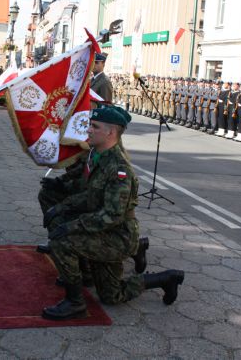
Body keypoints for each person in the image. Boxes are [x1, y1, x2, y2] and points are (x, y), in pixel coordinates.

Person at [39, 105, 184, 320]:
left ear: (111, 132)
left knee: (63, 241)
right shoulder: (99, 154)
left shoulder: (118, 169)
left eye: (94, 126)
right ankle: (165, 279)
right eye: (90, 125)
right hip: (103, 230)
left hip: (117, 237)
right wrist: (61, 206)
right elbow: (89, 194)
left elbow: (111, 216)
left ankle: (75, 302)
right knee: (111, 295)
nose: (88, 130)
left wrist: (71, 226)